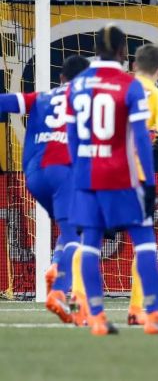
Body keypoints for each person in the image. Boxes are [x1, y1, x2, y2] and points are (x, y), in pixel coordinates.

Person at [66, 24, 158, 335]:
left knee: (88, 245)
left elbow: (71, 135)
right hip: (124, 176)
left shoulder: (78, 85)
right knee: (144, 242)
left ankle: (96, 317)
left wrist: (77, 174)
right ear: (122, 53)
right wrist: (150, 184)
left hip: (87, 176)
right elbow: (145, 142)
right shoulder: (130, 87)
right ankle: (150, 314)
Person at [0, 55, 89, 324]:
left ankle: (61, 282)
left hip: (34, 177)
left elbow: (5, 102)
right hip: (64, 172)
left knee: (72, 229)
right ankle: (61, 282)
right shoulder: (90, 101)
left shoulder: (40, 97)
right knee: (80, 229)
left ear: (61, 78)